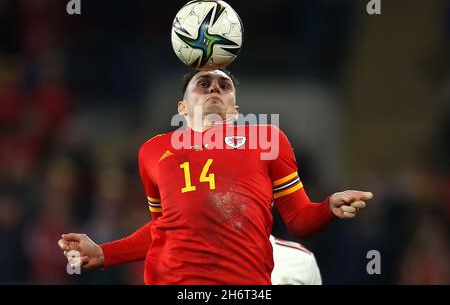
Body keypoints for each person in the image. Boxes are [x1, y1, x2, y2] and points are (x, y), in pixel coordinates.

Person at [58, 69, 372, 284]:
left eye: (224, 86)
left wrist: (328, 207)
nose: (214, 89)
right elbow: (164, 229)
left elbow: (300, 220)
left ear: (235, 110)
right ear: (182, 107)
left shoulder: (268, 141)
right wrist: (104, 253)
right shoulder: (153, 152)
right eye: (203, 83)